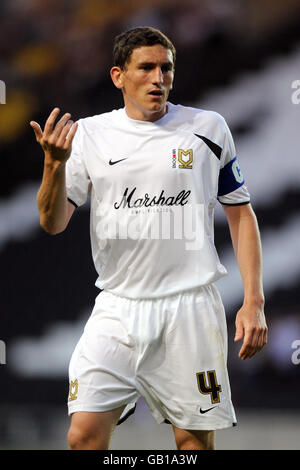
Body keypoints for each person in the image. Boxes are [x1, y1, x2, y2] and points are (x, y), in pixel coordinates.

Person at [30, 26, 268, 451]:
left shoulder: (208, 128)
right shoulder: (89, 134)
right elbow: (52, 222)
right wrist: (54, 164)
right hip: (117, 307)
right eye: (146, 68)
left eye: (166, 68)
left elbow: (240, 213)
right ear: (118, 76)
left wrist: (254, 301)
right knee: (82, 437)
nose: (158, 78)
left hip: (189, 308)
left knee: (192, 445)